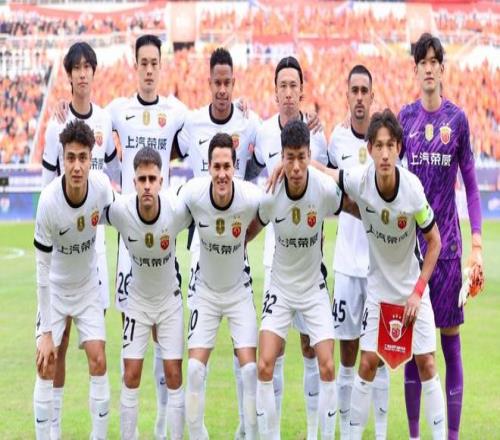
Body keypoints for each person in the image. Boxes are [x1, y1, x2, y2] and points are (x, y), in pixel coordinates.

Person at [54, 35, 187, 439]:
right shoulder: (115, 112)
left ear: (161, 65)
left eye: (154, 62)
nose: (148, 69)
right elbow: (87, 127)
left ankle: (162, 424)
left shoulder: (177, 112)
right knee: (133, 337)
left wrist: (243, 108)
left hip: (162, 232)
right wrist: (64, 111)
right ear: (135, 65)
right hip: (128, 234)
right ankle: (130, 429)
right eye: (142, 62)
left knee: (165, 340)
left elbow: (210, 128)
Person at [313, 109, 445, 439]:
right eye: (379, 146)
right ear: (369, 148)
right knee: (367, 363)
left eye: (390, 146)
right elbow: (326, 172)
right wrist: (291, 164)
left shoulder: (412, 190)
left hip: (412, 291)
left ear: (398, 148)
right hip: (378, 292)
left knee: (428, 364)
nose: (385, 154)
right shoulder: (360, 179)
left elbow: (434, 242)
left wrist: (418, 291)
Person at [399, 33, 484, 440]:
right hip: (411, 253)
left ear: (442, 69)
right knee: (414, 351)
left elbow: (471, 184)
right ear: (415, 70)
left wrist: (477, 244)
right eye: (423, 62)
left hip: (448, 250)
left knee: (450, 345)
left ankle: (451, 436)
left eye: (435, 62)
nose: (429, 68)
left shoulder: (457, 120)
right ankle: (415, 435)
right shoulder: (405, 119)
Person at [41, 42, 119, 439]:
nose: (83, 73)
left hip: (94, 246)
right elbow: (47, 185)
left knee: (94, 345)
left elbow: (113, 179)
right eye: (77, 67)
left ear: (94, 72)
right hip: (61, 249)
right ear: (69, 74)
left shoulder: (106, 118)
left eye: (89, 66)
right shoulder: (56, 123)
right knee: (59, 340)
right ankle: (52, 425)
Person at [247, 55, 328, 439]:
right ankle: (271, 431)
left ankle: (313, 432)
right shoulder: (263, 133)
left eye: (295, 85)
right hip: (275, 252)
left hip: (310, 257)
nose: (289, 92)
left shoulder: (318, 134)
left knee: (310, 347)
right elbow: (247, 175)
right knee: (273, 351)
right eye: (283, 85)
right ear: (275, 90)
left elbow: (328, 188)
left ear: (302, 90)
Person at [252, 119, 344, 440]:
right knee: (264, 365)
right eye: (289, 158)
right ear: (281, 156)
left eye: (301, 157)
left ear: (309, 155)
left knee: (327, 366)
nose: (295, 166)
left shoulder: (324, 189)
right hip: (280, 287)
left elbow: (353, 206)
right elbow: (250, 231)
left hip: (313, 288)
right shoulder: (270, 195)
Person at [178, 133, 262, 440]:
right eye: (217, 167)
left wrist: (249, 235)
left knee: (250, 371)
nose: (222, 173)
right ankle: (198, 435)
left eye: (227, 166)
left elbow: (272, 209)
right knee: (194, 370)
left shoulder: (250, 196)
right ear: (209, 168)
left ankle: (247, 432)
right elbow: (167, 212)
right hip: (205, 292)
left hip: (239, 291)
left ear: (234, 168)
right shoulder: (193, 193)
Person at [33, 119, 113, 440]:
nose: (77, 166)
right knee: (47, 361)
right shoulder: (48, 201)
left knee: (98, 358)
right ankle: (51, 433)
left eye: (82, 158)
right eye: (70, 158)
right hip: (54, 289)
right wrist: (46, 332)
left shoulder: (101, 187)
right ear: (62, 159)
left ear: (91, 158)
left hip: (87, 288)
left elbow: (122, 215)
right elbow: (41, 272)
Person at [106, 147, 191, 440]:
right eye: (141, 179)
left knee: (174, 374)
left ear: (161, 181)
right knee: (130, 374)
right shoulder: (121, 211)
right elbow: (91, 206)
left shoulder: (176, 210)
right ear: (133, 182)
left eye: (152, 179)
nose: (146, 185)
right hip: (137, 303)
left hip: (169, 303)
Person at [327, 64, 389, 439]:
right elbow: (329, 192)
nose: (360, 97)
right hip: (348, 265)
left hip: (380, 268)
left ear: (372, 94)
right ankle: (347, 432)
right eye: (355, 90)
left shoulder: (384, 140)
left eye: (366, 90)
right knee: (348, 354)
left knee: (380, 355)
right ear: (347, 95)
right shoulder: (336, 140)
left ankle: (380, 433)